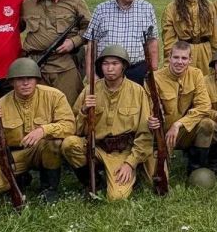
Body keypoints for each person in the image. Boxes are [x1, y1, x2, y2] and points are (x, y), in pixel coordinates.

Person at [61, 44, 152, 201]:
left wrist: (130, 163)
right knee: (69, 144)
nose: (110, 68)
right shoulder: (90, 90)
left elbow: (145, 133)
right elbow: (74, 129)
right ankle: (94, 182)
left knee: (117, 197)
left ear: (123, 66)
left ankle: (129, 174)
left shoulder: (137, 91)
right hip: (95, 147)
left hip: (122, 151)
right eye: (105, 64)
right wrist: (84, 111)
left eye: (115, 64)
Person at [0, 58, 74, 203]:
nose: (26, 83)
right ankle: (19, 177)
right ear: (12, 82)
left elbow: (70, 126)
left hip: (42, 149)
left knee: (55, 143)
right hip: (13, 155)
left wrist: (43, 130)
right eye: (20, 79)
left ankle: (49, 188)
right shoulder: (0, 106)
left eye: (30, 78)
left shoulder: (54, 96)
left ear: (37, 80)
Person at [21, 0, 92, 106]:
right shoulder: (27, 3)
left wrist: (73, 42)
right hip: (36, 68)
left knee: (69, 108)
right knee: (39, 110)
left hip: (65, 66)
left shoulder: (74, 1)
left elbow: (91, 29)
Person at [145, 41, 213, 177]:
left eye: (184, 58)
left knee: (207, 124)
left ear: (190, 60)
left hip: (182, 131)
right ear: (169, 57)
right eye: (176, 57)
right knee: (154, 178)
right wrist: (150, 120)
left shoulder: (196, 74)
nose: (179, 62)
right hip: (159, 136)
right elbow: (146, 109)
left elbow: (204, 105)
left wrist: (178, 124)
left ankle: (195, 169)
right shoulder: (155, 79)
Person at [84, 0, 159, 85]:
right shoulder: (101, 10)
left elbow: (152, 41)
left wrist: (153, 72)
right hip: (107, 72)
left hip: (136, 72)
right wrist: (91, 75)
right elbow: (91, 45)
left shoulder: (146, 8)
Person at [161, 0, 217, 76]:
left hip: (205, 53)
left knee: (206, 82)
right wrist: (168, 64)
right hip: (184, 53)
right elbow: (169, 41)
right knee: (185, 82)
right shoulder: (172, 8)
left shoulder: (209, 6)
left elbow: (215, 37)